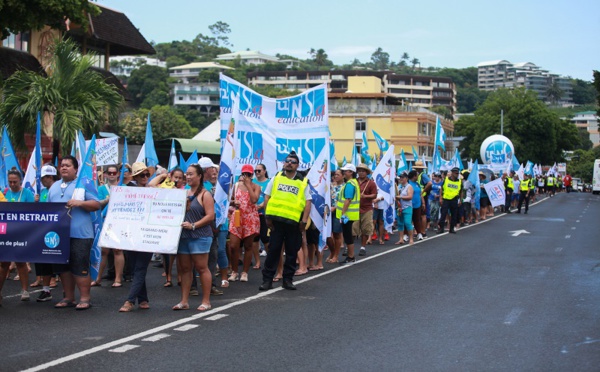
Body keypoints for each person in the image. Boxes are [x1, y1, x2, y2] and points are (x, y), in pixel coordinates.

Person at [47, 156, 101, 310]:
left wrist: (80, 203)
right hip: (59, 235)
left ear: (76, 169)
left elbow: (96, 204)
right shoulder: (54, 186)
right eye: (62, 165)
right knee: (63, 267)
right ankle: (68, 297)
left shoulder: (84, 184)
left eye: (68, 165)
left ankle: (85, 298)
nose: (64, 168)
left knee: (79, 266)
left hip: (80, 234)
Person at [259, 151, 312, 291]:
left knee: (291, 252)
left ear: (297, 165)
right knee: (273, 251)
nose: (289, 163)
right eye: (287, 160)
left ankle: (288, 280)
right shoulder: (276, 177)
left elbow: (308, 202)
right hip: (276, 222)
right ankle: (267, 280)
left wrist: (304, 221)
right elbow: (267, 197)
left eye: (293, 162)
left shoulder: (303, 181)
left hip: (293, 223)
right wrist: (267, 217)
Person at [172, 164, 215, 311]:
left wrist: (194, 225)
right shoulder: (183, 193)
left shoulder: (205, 194)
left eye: (191, 174)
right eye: (187, 174)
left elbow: (210, 216)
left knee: (202, 268)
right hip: (184, 236)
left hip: (200, 236)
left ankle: (206, 301)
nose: (188, 177)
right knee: (185, 269)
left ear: (199, 176)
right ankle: (184, 301)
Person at [119, 162, 153, 312]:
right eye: (141, 175)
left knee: (140, 268)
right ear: (135, 177)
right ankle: (143, 299)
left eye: (147, 174)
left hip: (148, 234)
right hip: (131, 234)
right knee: (134, 268)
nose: (145, 177)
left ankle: (130, 300)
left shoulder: (153, 190)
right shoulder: (128, 190)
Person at [0, 168, 36, 302]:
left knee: (21, 261)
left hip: (21, 231)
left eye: (15, 182)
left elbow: (32, 212)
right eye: (10, 182)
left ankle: (25, 290)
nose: (12, 184)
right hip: (6, 232)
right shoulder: (4, 192)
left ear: (20, 181)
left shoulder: (27, 193)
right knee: (4, 263)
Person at [228, 164, 260, 283]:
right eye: (244, 174)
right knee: (233, 246)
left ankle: (245, 272)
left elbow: (254, 200)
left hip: (250, 219)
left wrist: (248, 185)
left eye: (249, 174)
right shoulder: (236, 186)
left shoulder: (256, 186)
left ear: (252, 175)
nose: (246, 176)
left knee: (248, 246)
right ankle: (234, 271)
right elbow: (228, 200)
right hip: (237, 217)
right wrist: (233, 202)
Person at [199, 157, 227, 294]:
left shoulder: (212, 185)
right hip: (200, 226)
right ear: (207, 170)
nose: (213, 170)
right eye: (211, 168)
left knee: (212, 256)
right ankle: (192, 286)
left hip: (212, 227)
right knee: (196, 258)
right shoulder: (197, 185)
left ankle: (211, 286)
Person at [94, 164, 125, 288]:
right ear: (105, 174)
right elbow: (98, 204)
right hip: (105, 220)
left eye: (114, 173)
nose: (112, 175)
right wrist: (108, 199)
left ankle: (118, 279)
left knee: (118, 250)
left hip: (119, 221)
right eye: (109, 173)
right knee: (103, 251)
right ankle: (97, 278)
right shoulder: (101, 189)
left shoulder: (123, 187)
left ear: (118, 174)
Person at [32, 164, 60, 301]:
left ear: (50, 177)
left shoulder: (59, 189)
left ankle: (67, 291)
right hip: (42, 230)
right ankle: (46, 290)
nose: (42, 181)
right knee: (42, 259)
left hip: (56, 230)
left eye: (43, 178)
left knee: (56, 260)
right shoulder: (42, 192)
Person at [337, 163, 360, 264]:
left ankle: (351, 256)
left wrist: (343, 213)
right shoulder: (353, 182)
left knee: (347, 236)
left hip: (347, 215)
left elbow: (348, 199)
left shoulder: (350, 184)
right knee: (348, 235)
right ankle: (351, 256)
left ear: (351, 172)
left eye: (345, 171)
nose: (343, 173)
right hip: (350, 214)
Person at [352, 163, 376, 257]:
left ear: (366, 173)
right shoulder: (354, 182)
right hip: (354, 209)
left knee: (365, 229)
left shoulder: (371, 183)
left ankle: (363, 247)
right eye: (359, 171)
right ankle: (350, 247)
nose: (361, 173)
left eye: (363, 171)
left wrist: (365, 196)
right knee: (353, 229)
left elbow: (374, 195)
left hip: (366, 209)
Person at [252, 163, 270, 268]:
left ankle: (269, 259)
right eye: (256, 171)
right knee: (255, 239)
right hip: (253, 214)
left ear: (264, 171)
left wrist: (261, 205)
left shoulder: (269, 182)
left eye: (259, 170)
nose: (257, 173)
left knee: (266, 238)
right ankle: (257, 261)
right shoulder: (252, 182)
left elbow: (270, 196)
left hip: (264, 214)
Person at [326, 169, 344, 263]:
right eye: (335, 175)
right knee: (327, 235)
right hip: (328, 212)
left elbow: (345, 201)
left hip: (338, 213)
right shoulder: (330, 185)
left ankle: (336, 256)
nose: (336, 176)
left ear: (343, 176)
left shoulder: (344, 187)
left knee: (336, 234)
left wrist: (335, 207)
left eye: (338, 174)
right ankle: (332, 252)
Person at [437, 167, 462, 234]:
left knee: (454, 215)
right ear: (452, 173)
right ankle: (441, 228)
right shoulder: (446, 180)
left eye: (458, 173)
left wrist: (460, 200)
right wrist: (440, 198)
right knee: (443, 214)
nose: (457, 174)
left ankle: (451, 229)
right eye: (456, 173)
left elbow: (461, 191)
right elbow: (441, 189)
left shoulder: (459, 181)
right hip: (446, 199)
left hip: (454, 200)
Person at [395, 172, 414, 245]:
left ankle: (411, 239)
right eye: (400, 177)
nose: (401, 179)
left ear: (406, 178)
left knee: (407, 223)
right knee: (400, 223)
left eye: (403, 177)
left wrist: (401, 197)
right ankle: (401, 239)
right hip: (399, 207)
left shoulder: (409, 186)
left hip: (407, 207)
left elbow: (410, 197)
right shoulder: (399, 186)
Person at [408, 170, 426, 240]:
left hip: (417, 205)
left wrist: (423, 202)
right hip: (409, 205)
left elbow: (420, 194)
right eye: (417, 175)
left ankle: (419, 233)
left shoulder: (417, 184)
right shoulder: (408, 183)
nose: (418, 176)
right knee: (408, 220)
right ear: (414, 176)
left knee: (417, 220)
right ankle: (406, 235)